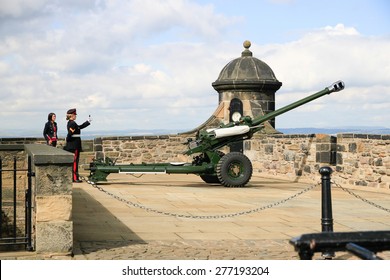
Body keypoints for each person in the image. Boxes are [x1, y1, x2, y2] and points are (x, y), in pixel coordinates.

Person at [64, 108, 92, 183]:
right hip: (74, 144)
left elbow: (79, 127)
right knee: (75, 161)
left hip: (74, 144)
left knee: (75, 161)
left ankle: (74, 176)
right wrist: (68, 141)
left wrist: (87, 122)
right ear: (72, 115)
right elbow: (70, 134)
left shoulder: (72, 123)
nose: (75, 116)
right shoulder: (72, 123)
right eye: (75, 115)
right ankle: (75, 177)